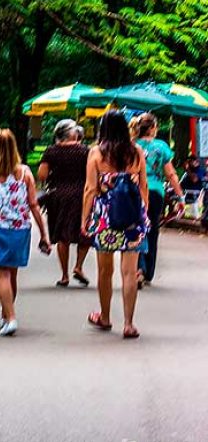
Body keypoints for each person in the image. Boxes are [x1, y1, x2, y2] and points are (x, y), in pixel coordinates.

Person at [0, 129, 51, 336]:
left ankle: (11, 317)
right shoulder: (25, 173)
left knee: (1, 276)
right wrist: (43, 234)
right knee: (11, 274)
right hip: (19, 230)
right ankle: (7, 314)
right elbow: (34, 205)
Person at [83, 110, 149, 339]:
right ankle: (129, 323)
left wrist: (85, 219)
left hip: (105, 218)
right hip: (132, 217)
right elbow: (143, 186)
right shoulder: (137, 152)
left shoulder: (96, 153)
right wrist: (144, 213)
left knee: (104, 270)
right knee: (130, 272)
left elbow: (90, 189)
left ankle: (105, 316)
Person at [38, 119, 91, 288]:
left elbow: (42, 175)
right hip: (81, 195)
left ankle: (64, 275)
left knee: (62, 235)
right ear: (74, 133)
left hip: (58, 196)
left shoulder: (51, 151)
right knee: (85, 231)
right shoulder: (85, 151)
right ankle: (79, 266)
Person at [134, 113, 184, 288]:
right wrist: (180, 197)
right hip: (154, 191)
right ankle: (147, 271)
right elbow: (170, 174)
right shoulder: (161, 146)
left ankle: (137, 267)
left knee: (135, 227)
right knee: (151, 229)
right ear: (153, 127)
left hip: (133, 190)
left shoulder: (131, 145)